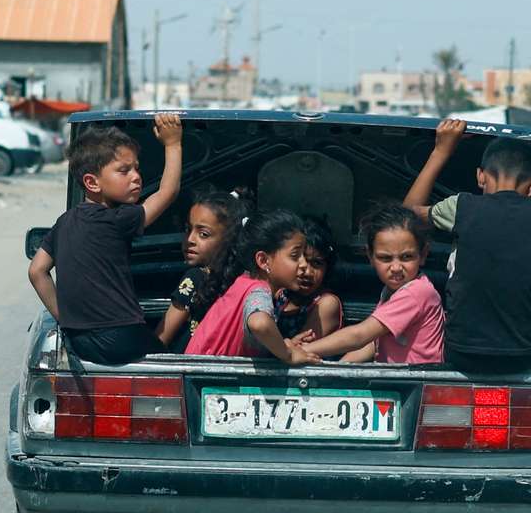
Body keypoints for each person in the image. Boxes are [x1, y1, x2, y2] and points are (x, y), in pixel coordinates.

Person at [404, 119, 531, 373]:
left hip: (461, 352)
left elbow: (407, 214)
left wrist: (440, 151)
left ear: (480, 177)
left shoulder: (461, 207)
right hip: (523, 355)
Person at [28, 116, 183, 364]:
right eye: (124, 170)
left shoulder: (63, 222)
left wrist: (65, 319)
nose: (136, 177)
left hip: (80, 342)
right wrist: (173, 143)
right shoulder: (118, 219)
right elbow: (168, 192)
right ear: (92, 182)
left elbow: (37, 271)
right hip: (121, 337)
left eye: (136, 168)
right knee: (179, 347)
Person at [301, 204, 444, 364]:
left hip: (417, 377)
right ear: (370, 256)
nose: (396, 267)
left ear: (423, 254)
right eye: (385, 258)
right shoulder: (393, 291)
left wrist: (299, 351)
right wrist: (339, 368)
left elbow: (359, 335)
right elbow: (372, 343)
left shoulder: (416, 293)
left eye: (406, 257)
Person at [185, 209, 321, 364]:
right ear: (263, 260)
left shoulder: (243, 282)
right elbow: (259, 324)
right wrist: (288, 354)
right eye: (295, 256)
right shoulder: (259, 291)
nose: (304, 264)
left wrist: (282, 345)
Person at [155, 188, 253, 353]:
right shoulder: (247, 282)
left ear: (230, 239)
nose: (190, 239)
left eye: (204, 234)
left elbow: (161, 338)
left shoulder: (194, 278)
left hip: (186, 364)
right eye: (188, 229)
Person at [274, 218, 343, 340]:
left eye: (317, 263)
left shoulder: (326, 304)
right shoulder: (280, 294)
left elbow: (301, 347)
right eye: (301, 260)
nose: (307, 272)